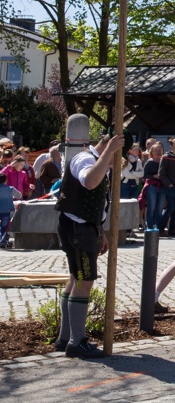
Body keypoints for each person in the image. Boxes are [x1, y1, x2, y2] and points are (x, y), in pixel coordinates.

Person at [53, 133, 125, 359]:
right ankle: (76, 342)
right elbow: (90, 181)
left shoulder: (99, 159)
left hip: (83, 227)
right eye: (114, 159)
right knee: (84, 280)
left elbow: (95, 202)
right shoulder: (85, 159)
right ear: (107, 145)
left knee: (76, 278)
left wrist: (99, 231)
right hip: (77, 229)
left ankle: (65, 338)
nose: (113, 164)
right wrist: (109, 153)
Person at [0, 174, 18, 247]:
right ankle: (2, 242)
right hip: (6, 211)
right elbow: (19, 195)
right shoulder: (10, 189)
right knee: (4, 228)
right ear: (6, 180)